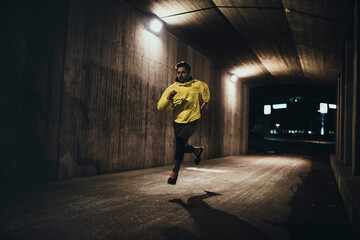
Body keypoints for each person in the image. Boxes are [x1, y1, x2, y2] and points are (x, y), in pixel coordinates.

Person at [157, 61, 210, 185]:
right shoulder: (172, 88)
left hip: (192, 120)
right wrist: (168, 98)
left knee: (180, 142)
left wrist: (206, 102)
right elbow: (160, 107)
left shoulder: (196, 84)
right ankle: (197, 151)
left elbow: (205, 88)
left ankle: (174, 173)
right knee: (181, 147)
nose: (180, 75)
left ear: (188, 73)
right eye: (178, 73)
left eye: (183, 72)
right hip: (177, 122)